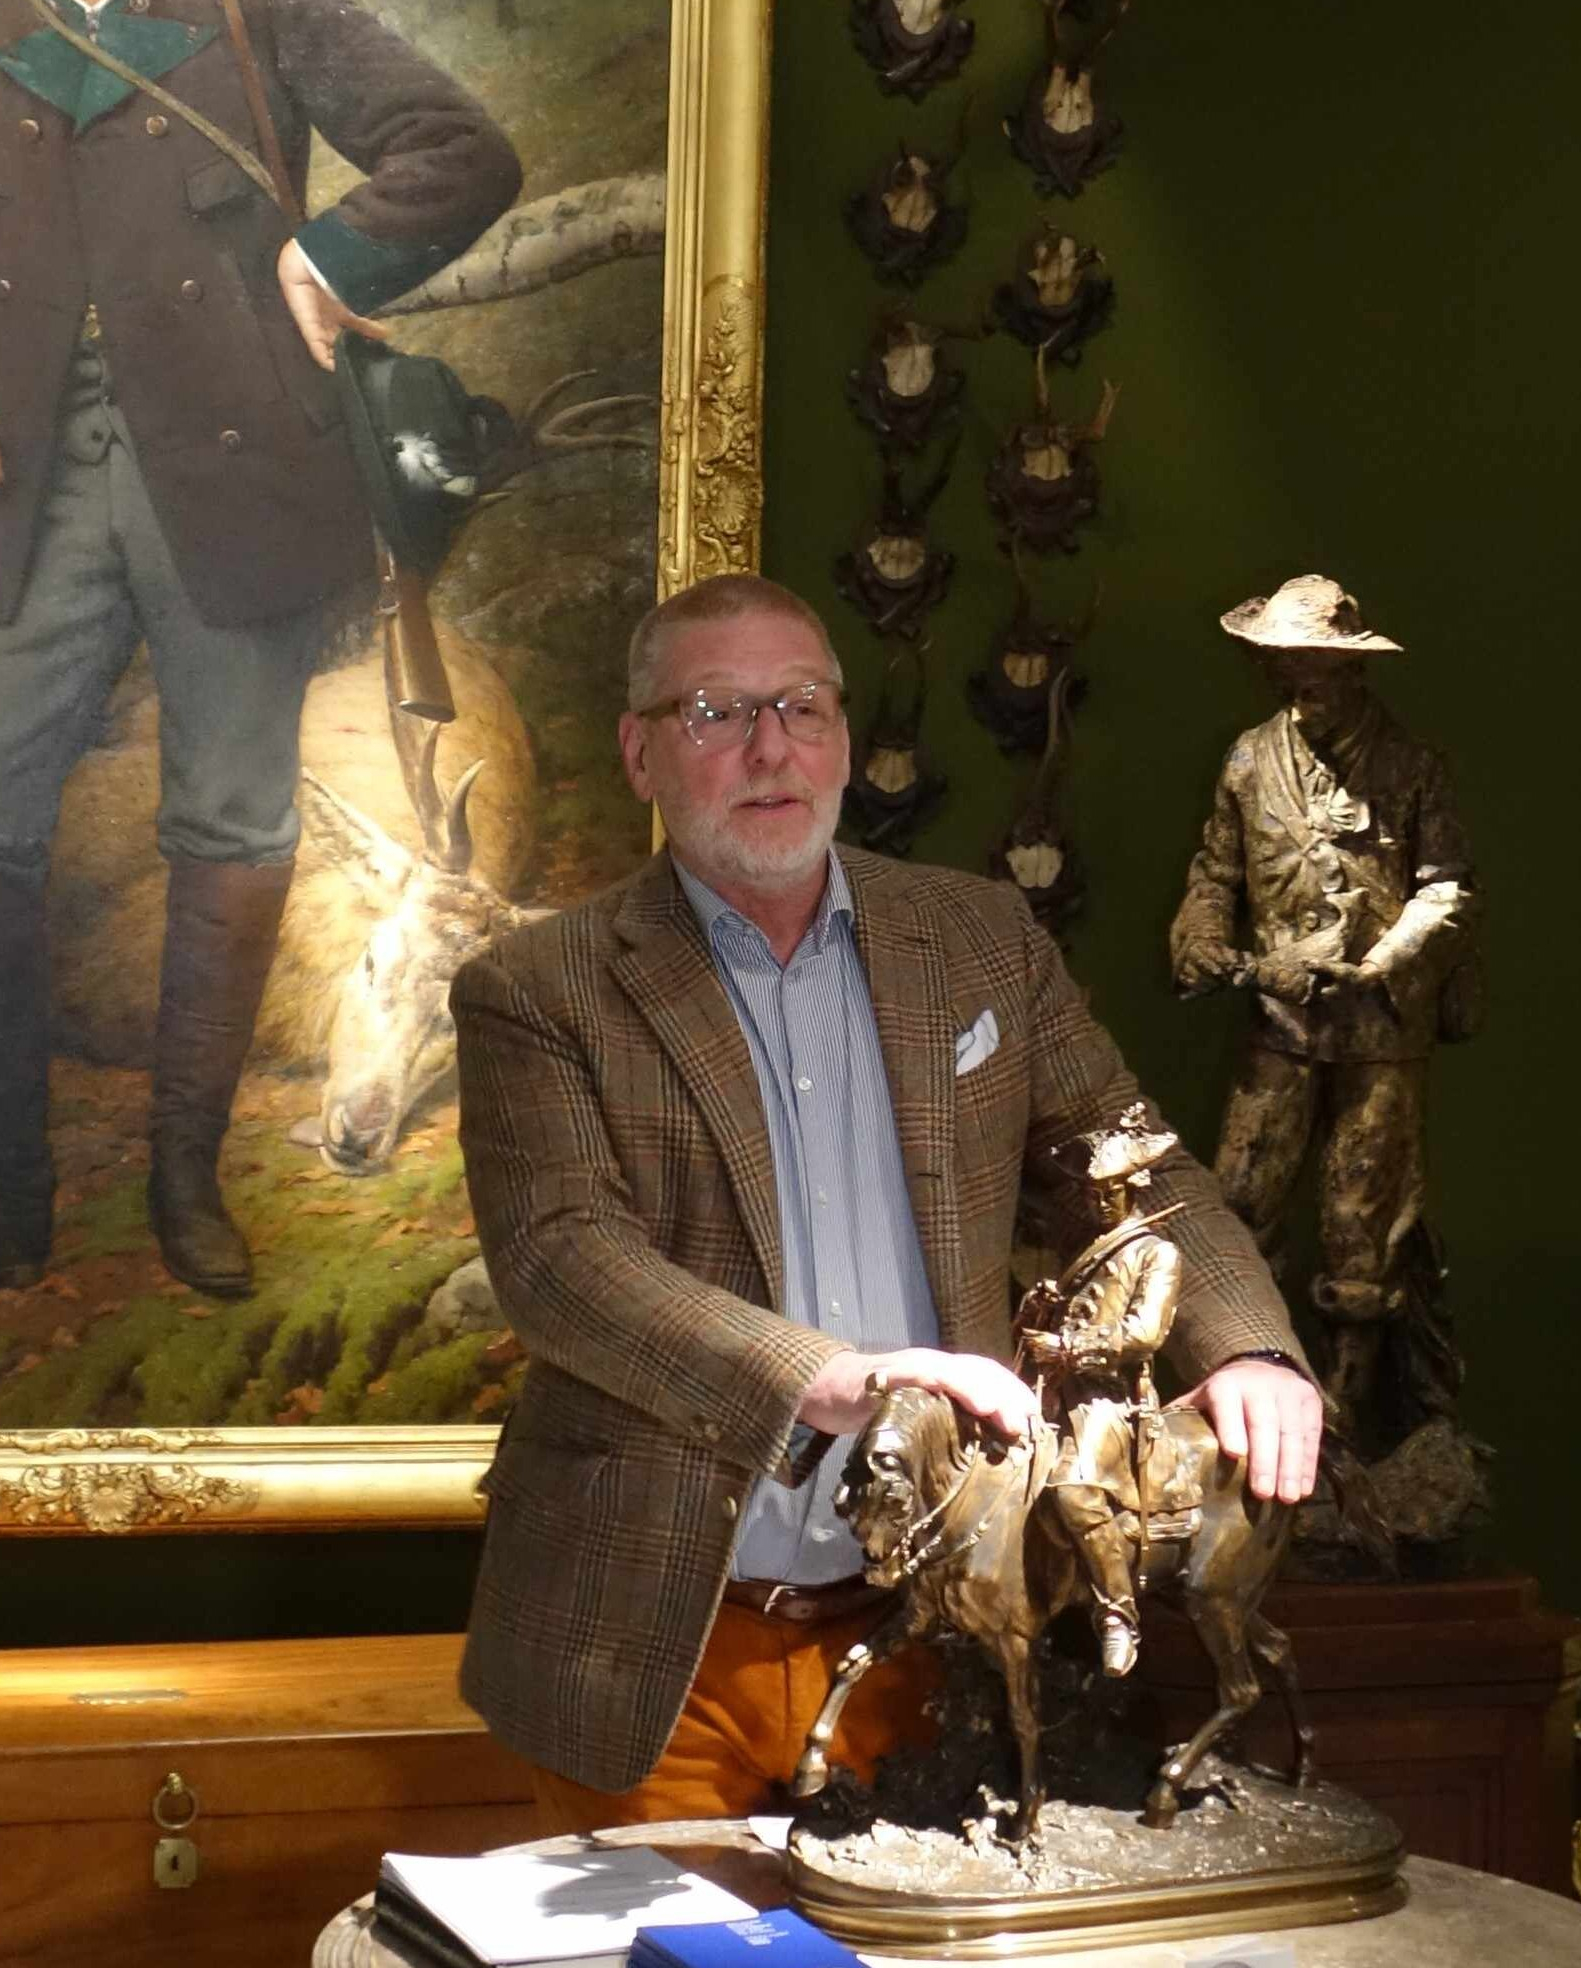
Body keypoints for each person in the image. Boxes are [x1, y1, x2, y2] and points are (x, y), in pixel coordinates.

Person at [450, 573, 1319, 1828]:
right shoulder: (540, 987)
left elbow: (1136, 1160)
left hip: (936, 1626)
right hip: (653, 1641)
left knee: (935, 1960)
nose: (770, 748)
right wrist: (830, 1377)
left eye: (801, 705)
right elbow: (562, 1261)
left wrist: (1247, 1345)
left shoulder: (978, 937)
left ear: (844, 738)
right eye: (716, 711)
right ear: (641, 751)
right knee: (683, 1963)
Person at [0, 0, 520, 1336]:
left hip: (235, 485)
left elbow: (464, 150)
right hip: (38, 492)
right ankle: (2, 1208)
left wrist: (330, 257)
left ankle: (183, 1182)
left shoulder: (257, 10)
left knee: (228, 818)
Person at [1167, 574, 1480, 1421]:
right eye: (1284, 664)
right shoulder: (1248, 760)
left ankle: (1348, 1409)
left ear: (1353, 668)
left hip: (1382, 1032)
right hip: (1280, 1024)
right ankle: (1245, 1383)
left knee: (1364, 1213)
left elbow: (1448, 886)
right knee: (1238, 1200)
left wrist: (1381, 964)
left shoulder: (1412, 766)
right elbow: (1217, 872)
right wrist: (1200, 938)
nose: (1297, 680)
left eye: (1315, 666)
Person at [1018, 1102, 1183, 1680]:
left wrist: (1070, 1348)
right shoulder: (1087, 1249)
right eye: (1092, 1193)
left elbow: (1144, 1333)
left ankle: (1118, 1613)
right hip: (1055, 1387)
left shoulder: (1156, 1253)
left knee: (1072, 1491)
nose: (1100, 1202)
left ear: (1133, 1188)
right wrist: (1041, 1308)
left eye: (1110, 1191)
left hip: (1108, 1397)